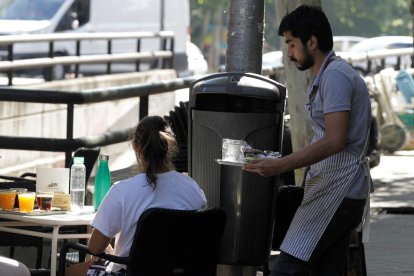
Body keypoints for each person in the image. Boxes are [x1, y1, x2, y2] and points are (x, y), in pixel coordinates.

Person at [243, 5, 372, 276]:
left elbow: (335, 140)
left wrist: (280, 166)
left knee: (288, 266)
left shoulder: (335, 75)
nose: (289, 53)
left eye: (291, 43)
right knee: (326, 270)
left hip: (338, 189)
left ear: (312, 41)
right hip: (339, 189)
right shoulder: (328, 74)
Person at [66, 116, 207, 276]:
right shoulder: (192, 187)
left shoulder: (123, 190)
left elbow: (95, 248)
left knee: (71, 272)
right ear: (169, 145)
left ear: (136, 146)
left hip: (130, 271)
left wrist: (112, 252)